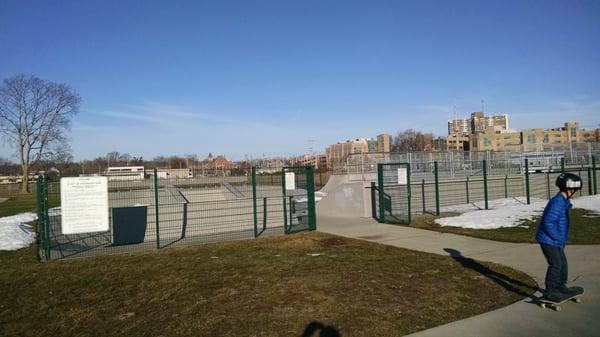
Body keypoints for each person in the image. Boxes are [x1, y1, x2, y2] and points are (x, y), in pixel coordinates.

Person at [535, 172, 583, 302]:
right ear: (570, 189)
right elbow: (548, 222)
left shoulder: (562, 200)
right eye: (574, 190)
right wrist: (558, 238)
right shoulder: (558, 202)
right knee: (555, 265)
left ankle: (560, 287)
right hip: (548, 240)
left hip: (554, 240)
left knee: (563, 264)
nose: (575, 192)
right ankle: (549, 292)